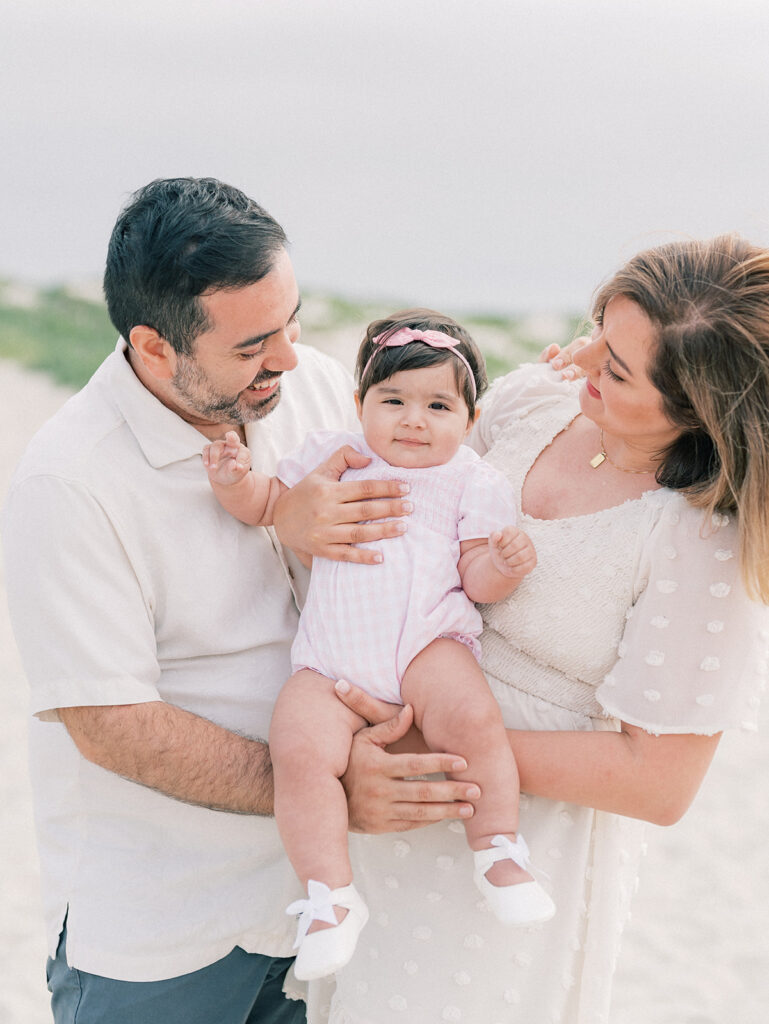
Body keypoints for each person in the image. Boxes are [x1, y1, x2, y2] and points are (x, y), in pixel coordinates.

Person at [1, 178, 478, 1024]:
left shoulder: (319, 384)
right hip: (164, 936)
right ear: (154, 348)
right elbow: (110, 724)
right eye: (255, 344)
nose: (290, 358)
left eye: (292, 321)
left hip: (324, 910)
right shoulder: (68, 481)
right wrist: (332, 789)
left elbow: (444, 462)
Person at [278, 235, 769, 1024]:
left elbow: (659, 782)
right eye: (597, 336)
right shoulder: (534, 400)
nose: (585, 366)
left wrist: (426, 753)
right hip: (382, 807)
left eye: (616, 368)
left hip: (515, 842)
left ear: (696, 410)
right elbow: (408, 500)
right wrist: (299, 515)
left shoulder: (700, 540)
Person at [202, 311, 554, 980]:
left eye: (436, 405)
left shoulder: (472, 480)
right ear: (360, 405)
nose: (413, 419)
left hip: (427, 642)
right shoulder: (337, 455)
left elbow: (477, 580)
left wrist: (504, 565)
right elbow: (272, 503)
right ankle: (328, 898)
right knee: (299, 752)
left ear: (468, 419)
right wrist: (234, 484)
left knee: (474, 721)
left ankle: (499, 849)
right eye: (392, 400)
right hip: (331, 658)